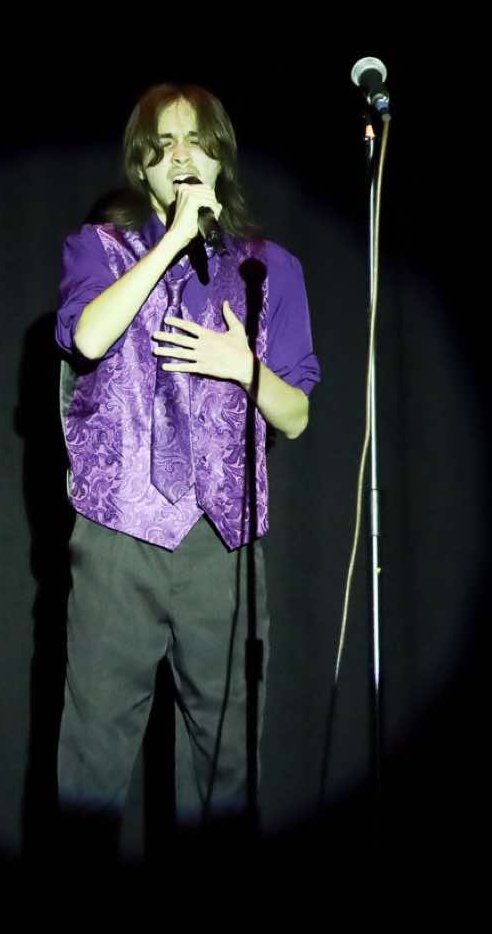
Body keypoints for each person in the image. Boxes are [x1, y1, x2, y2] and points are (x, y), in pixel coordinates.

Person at [53, 84, 320, 864]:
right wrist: (170, 241)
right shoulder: (97, 249)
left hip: (222, 548)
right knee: (93, 761)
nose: (180, 155)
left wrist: (245, 367)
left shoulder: (272, 269)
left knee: (227, 767)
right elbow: (88, 339)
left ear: (219, 156)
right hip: (119, 537)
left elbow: (297, 415)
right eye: (162, 144)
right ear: (142, 167)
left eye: (195, 140)